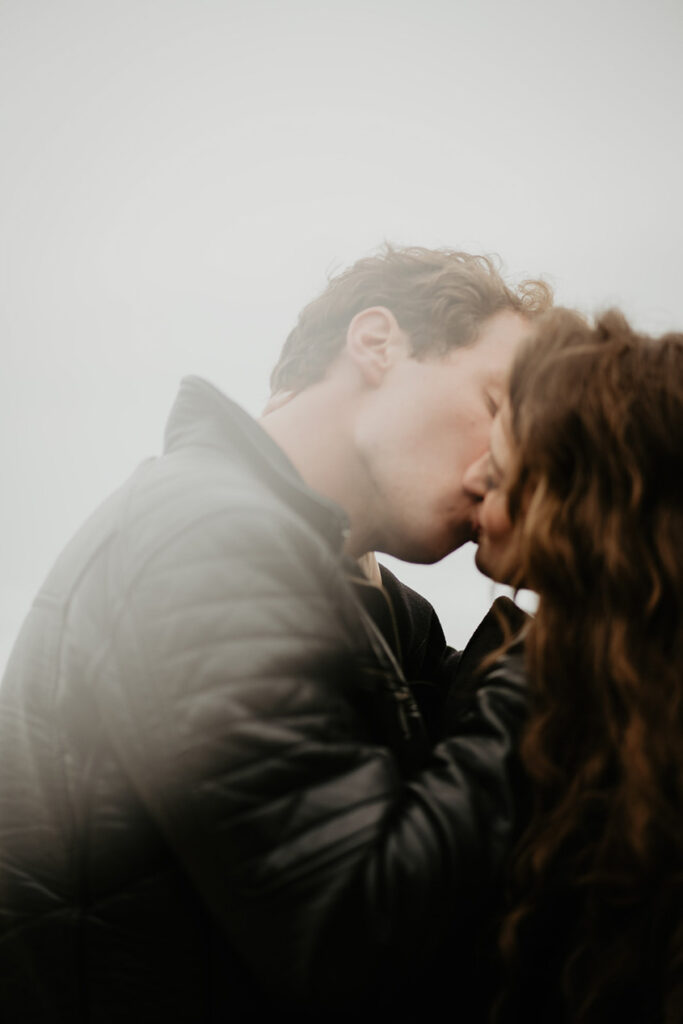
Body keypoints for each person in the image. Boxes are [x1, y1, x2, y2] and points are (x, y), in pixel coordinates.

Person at [0, 245, 551, 1022]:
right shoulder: (210, 537)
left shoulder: (380, 605)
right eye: (498, 407)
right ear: (376, 342)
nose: (509, 461)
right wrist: (565, 639)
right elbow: (353, 938)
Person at [463, 307, 683, 1023]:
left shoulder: (575, 701)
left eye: (496, 476)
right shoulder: (615, 685)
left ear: (576, 512)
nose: (470, 479)